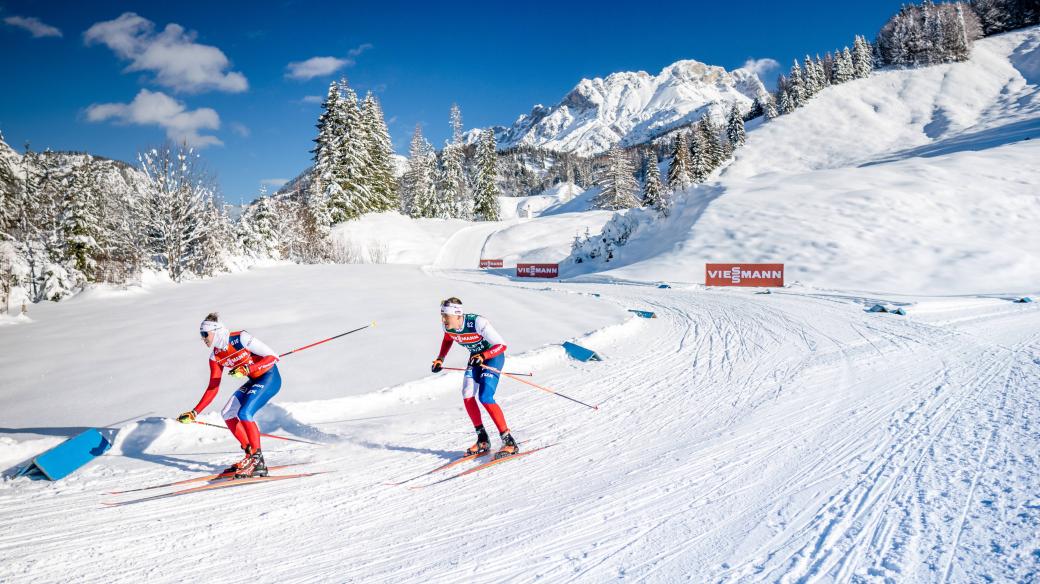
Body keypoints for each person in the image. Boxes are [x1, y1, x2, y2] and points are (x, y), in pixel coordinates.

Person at [178, 313, 281, 478]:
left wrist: (247, 369)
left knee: (245, 412)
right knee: (227, 412)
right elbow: (213, 387)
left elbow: (273, 357)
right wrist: (194, 412)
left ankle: (257, 460)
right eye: (201, 335)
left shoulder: (241, 338)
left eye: (205, 334)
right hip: (254, 381)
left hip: (270, 378)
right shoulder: (215, 357)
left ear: (216, 331)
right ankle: (250, 455)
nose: (203, 338)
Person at [431, 297, 519, 459]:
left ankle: (509, 442)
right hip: (476, 357)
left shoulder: (477, 322)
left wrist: (484, 355)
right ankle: (483, 440)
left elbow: (501, 345)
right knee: (467, 394)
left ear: (458, 316)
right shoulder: (449, 326)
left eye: (446, 316)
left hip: (493, 356)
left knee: (485, 397)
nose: (443, 320)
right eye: (442, 316)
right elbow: (448, 339)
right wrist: (440, 359)